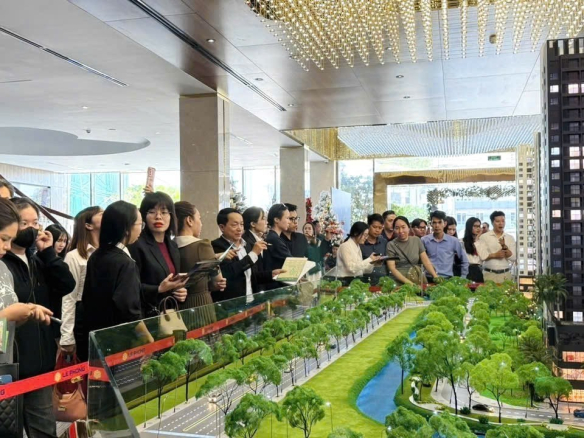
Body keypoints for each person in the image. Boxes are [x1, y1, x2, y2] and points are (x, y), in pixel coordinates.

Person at [3, 197, 75, 438]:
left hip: (41, 362)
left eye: (35, 223)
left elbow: (66, 284)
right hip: (10, 362)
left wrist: (49, 254)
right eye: (25, 223)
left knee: (44, 429)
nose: (32, 229)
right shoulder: (3, 264)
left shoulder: (38, 260)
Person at [82, 201, 149, 336]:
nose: (141, 229)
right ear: (126, 228)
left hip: (96, 334)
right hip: (119, 337)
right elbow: (129, 311)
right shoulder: (125, 263)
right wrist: (147, 338)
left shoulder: (96, 255)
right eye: (140, 224)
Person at [0, 198, 53, 367]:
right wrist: (6, 316)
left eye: (11, 240)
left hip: (5, 366)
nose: (7, 247)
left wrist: (25, 313)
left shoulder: (3, 269)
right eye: (3, 238)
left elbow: (6, 330)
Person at [129, 192, 187, 317]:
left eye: (164, 212)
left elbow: (171, 281)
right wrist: (158, 289)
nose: (158, 217)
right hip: (147, 315)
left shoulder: (172, 245)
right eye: (152, 212)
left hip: (169, 312)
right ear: (143, 216)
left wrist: (179, 291)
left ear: (171, 216)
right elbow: (130, 287)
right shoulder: (137, 245)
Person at [60, 206, 103, 359]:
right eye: (101, 214)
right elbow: (69, 297)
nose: (107, 216)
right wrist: (67, 336)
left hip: (106, 315)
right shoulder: (74, 256)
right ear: (88, 225)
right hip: (84, 316)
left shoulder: (113, 251)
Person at [212, 208, 282, 301]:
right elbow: (229, 273)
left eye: (241, 224)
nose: (239, 229)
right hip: (231, 302)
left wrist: (271, 274)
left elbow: (252, 275)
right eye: (234, 225)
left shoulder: (247, 245)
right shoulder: (216, 246)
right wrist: (253, 254)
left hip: (251, 299)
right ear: (222, 227)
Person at [174, 201, 225, 320]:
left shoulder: (169, 246)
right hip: (199, 305)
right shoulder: (202, 245)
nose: (201, 224)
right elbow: (217, 281)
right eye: (199, 218)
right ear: (189, 220)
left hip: (176, 307)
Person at [387, 216, 438, 285]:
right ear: (393, 230)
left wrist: (435, 276)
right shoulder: (391, 245)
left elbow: (426, 261)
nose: (400, 231)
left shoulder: (416, 240)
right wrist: (409, 283)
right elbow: (392, 268)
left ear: (409, 228)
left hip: (416, 278)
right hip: (399, 282)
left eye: (403, 227)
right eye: (397, 228)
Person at [421, 210, 469, 280]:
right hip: (428, 278)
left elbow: (464, 260)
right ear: (431, 224)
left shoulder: (454, 241)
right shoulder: (424, 240)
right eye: (434, 222)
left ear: (445, 224)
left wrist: (463, 277)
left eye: (440, 222)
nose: (437, 225)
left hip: (447, 278)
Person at [476, 211, 516, 283]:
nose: (501, 223)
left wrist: (505, 249)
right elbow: (481, 256)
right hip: (489, 274)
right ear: (492, 222)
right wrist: (495, 255)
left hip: (505, 274)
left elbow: (513, 258)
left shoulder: (510, 238)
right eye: (498, 221)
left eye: (503, 221)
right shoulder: (484, 237)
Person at [263, 204, 293, 273]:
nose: (289, 222)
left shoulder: (273, 237)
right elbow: (291, 261)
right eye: (287, 218)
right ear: (276, 219)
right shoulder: (274, 239)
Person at [360, 213, 387, 285]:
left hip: (381, 280)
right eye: (374, 227)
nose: (377, 230)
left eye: (380, 228)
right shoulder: (361, 242)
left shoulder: (384, 242)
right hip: (364, 280)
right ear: (368, 226)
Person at [462, 217, 484, 283]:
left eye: (479, 226)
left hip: (479, 269)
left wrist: (477, 238)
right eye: (475, 226)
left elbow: (483, 256)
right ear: (469, 227)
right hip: (468, 269)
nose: (478, 228)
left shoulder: (482, 242)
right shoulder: (462, 242)